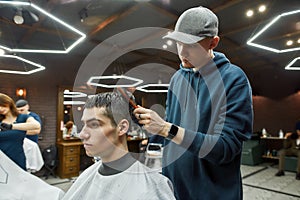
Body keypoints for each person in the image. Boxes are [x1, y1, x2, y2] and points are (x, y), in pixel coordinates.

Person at [133, 6, 253, 199]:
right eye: (179, 43)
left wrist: (166, 129)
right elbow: (172, 127)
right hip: (174, 188)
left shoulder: (234, 79)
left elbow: (226, 149)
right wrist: (149, 131)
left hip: (213, 193)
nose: (182, 52)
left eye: (192, 45)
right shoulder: (177, 79)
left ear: (213, 43)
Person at [62, 92, 175, 200]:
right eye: (83, 125)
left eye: (94, 124)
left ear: (121, 128)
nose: (82, 134)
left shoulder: (153, 187)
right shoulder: (86, 176)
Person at [0, 93, 41, 170]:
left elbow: (36, 125)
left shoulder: (23, 118)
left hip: (17, 159)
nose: (0, 109)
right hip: (1, 161)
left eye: (2, 105)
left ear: (8, 103)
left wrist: (11, 127)